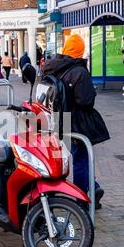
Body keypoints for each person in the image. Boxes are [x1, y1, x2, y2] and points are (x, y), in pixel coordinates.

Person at [43, 34, 108, 210]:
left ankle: (92, 188)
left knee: (59, 158)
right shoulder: (79, 71)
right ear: (79, 50)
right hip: (76, 122)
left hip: (56, 120)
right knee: (81, 158)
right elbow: (86, 101)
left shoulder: (51, 67)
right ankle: (81, 199)